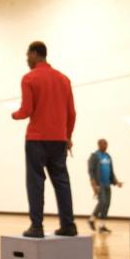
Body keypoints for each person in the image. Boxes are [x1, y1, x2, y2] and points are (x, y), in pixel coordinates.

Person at [12, 41, 77, 238]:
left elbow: (26, 111)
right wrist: (68, 137)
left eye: (27, 55)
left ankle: (37, 227)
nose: (26, 59)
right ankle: (68, 225)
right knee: (62, 181)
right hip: (58, 139)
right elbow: (72, 113)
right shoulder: (64, 79)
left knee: (35, 182)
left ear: (35, 54)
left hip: (37, 139)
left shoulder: (29, 78)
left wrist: (14, 114)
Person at [87, 139, 123, 233]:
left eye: (106, 144)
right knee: (102, 202)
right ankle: (92, 219)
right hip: (100, 185)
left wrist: (116, 182)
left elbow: (111, 171)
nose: (105, 146)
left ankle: (102, 225)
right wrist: (94, 185)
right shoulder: (94, 156)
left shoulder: (108, 156)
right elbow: (91, 171)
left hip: (107, 184)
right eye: (104, 144)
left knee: (107, 204)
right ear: (99, 145)